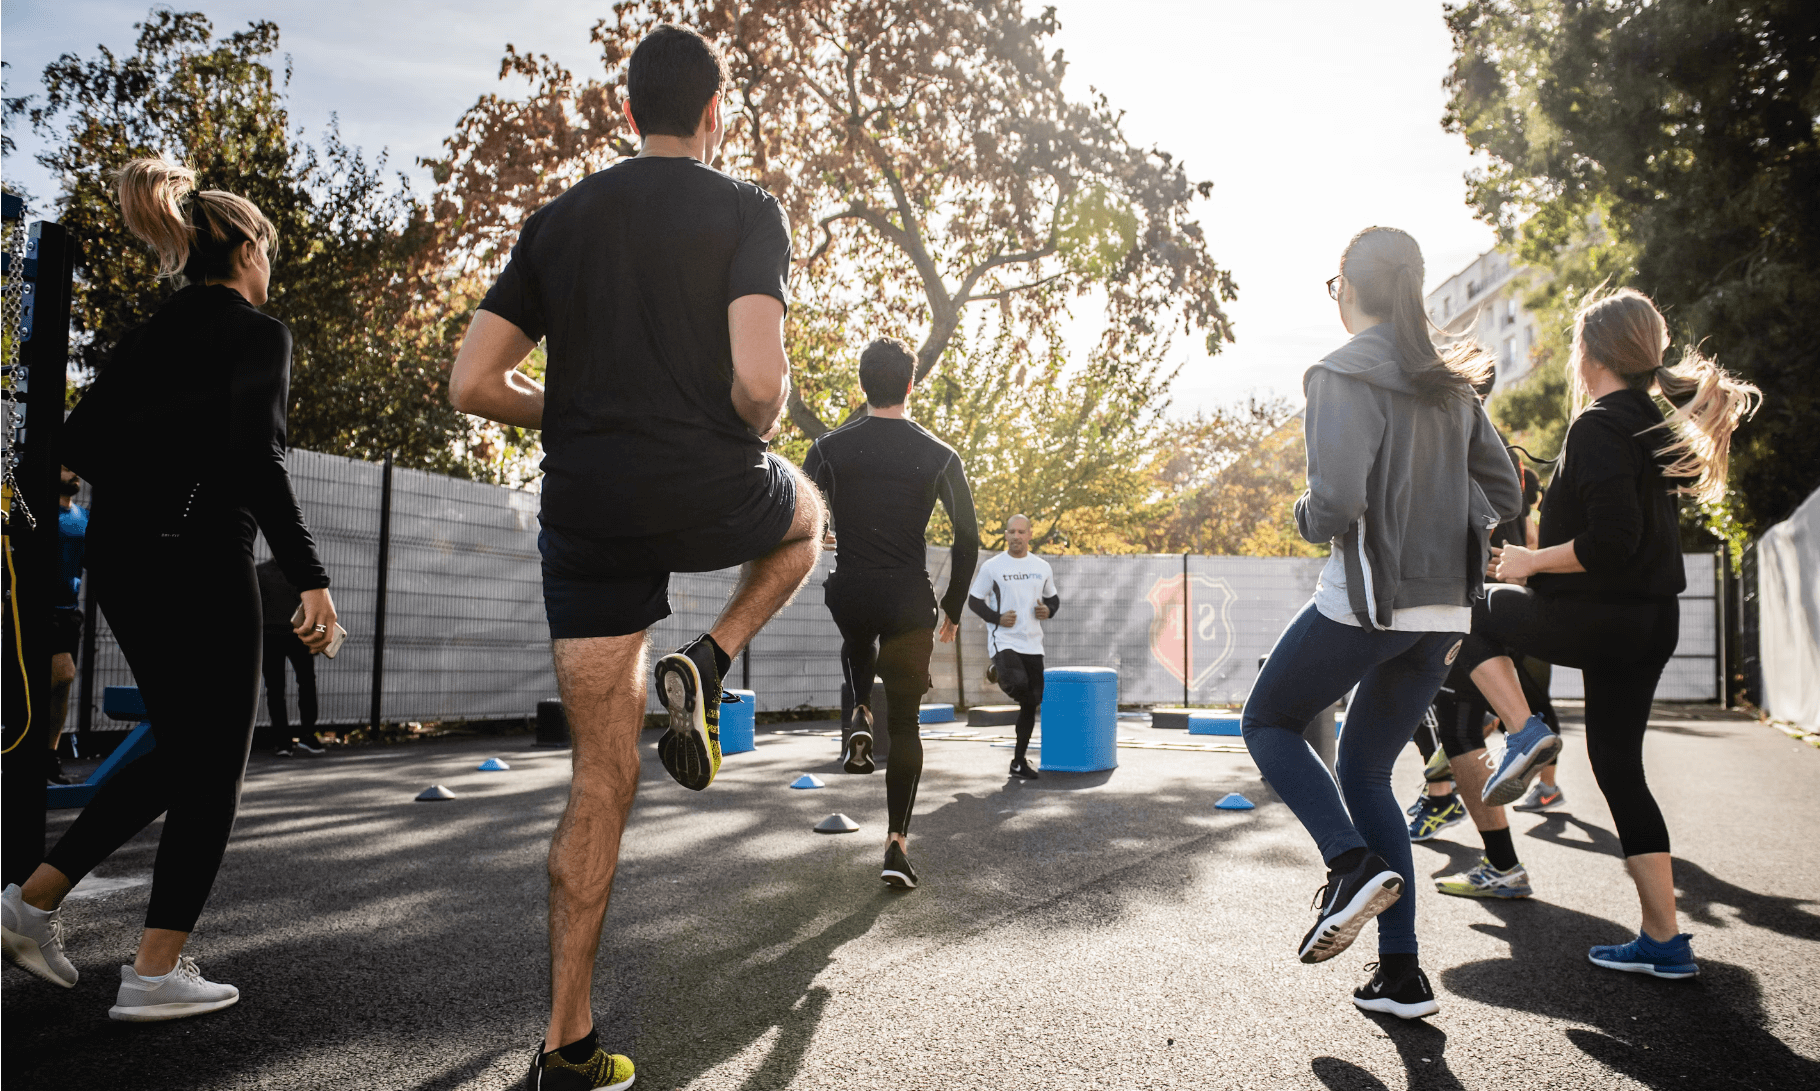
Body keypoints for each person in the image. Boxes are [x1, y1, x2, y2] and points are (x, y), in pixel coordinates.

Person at [446, 25, 823, 1089]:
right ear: (716, 115)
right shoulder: (748, 209)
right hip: (707, 484)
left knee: (598, 782)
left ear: (626, 115)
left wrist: (570, 406)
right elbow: (758, 382)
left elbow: (473, 383)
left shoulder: (557, 220)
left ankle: (567, 1039)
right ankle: (709, 657)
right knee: (806, 518)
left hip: (587, 510)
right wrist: (764, 410)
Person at [0, 156, 338, 1021]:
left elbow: (78, 440)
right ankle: (153, 971)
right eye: (273, 251)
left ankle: (30, 902)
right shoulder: (259, 333)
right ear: (250, 250)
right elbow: (258, 461)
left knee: (183, 748)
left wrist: (163, 461)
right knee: (213, 764)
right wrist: (312, 579)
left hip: (126, 562)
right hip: (200, 559)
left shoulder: (154, 335)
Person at [1240, 226, 1520, 1020]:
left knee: (1267, 719)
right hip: (1443, 612)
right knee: (1365, 772)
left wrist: (1301, 512)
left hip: (1369, 601)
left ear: (1350, 290)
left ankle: (1348, 861)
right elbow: (1505, 492)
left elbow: (1334, 504)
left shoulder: (1338, 372)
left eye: (1334, 286)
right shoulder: (1453, 386)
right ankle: (1401, 974)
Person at [1459, 287, 1759, 980]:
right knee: (1619, 766)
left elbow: (1612, 542)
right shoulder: (1650, 422)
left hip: (1606, 616)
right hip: (1649, 620)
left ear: (1588, 352)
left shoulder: (1597, 424)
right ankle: (1664, 938)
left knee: (1469, 611)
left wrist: (1532, 560)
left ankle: (1525, 730)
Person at [803, 337, 980, 890]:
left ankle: (858, 708)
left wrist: (826, 531)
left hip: (852, 589)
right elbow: (969, 538)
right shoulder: (939, 454)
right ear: (910, 383)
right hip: (908, 599)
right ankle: (896, 845)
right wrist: (952, 605)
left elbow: (800, 511)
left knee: (857, 634)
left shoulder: (828, 448)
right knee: (906, 723)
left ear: (863, 383)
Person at [967, 514, 1059, 779]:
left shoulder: (1042, 567)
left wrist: (1048, 610)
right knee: (1019, 687)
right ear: (1006, 535)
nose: (1016, 536)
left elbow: (1054, 599)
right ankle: (1001, 668)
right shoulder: (993, 567)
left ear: (1030, 534)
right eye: (1011, 532)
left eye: (1021, 532)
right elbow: (974, 601)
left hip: (1033, 643)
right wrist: (997, 618)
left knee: (1033, 701)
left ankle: (1018, 762)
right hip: (1004, 641)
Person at [256, 558, 324, 756]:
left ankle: (283, 742)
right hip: (299, 636)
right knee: (307, 683)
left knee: (275, 690)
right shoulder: (303, 571)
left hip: (270, 637)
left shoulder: (260, 572)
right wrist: (319, 634)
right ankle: (308, 736)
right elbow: (317, 607)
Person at [46, 467, 88, 785]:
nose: (74, 473)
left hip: (69, 611)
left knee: (62, 686)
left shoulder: (82, 517)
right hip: (38, 610)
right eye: (65, 467)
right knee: (62, 674)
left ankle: (49, 755)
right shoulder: (31, 513)